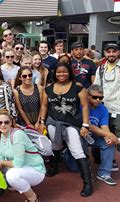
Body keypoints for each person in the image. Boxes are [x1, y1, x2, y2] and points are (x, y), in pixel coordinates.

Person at [36, 62, 93, 197]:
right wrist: (42, 122)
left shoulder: (78, 87)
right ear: (54, 73)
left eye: (65, 72)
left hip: (71, 123)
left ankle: (88, 183)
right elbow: (44, 106)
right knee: (55, 145)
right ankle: (54, 167)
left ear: (70, 73)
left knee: (76, 150)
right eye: (59, 72)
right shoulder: (48, 88)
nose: (62, 74)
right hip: (53, 122)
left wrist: (85, 125)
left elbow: (85, 106)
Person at [93, 43, 120, 187]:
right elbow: (96, 89)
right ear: (105, 53)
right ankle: (110, 162)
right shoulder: (101, 69)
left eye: (113, 51)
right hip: (104, 109)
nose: (111, 54)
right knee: (107, 137)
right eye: (108, 52)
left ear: (118, 52)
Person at [0, 110, 45, 201]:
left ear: (11, 122)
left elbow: (18, 163)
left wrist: (2, 163)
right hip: (21, 166)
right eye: (0, 122)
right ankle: (11, 184)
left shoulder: (17, 135)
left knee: (12, 176)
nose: (3, 125)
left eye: (6, 122)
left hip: (35, 169)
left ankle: (32, 198)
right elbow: (0, 157)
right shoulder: (0, 135)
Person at [85, 84, 119, 186]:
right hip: (81, 135)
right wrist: (109, 134)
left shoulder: (103, 109)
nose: (98, 100)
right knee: (73, 167)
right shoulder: (82, 105)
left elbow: (104, 127)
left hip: (95, 136)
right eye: (95, 97)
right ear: (88, 96)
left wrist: (108, 137)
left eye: (101, 98)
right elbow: (89, 125)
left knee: (109, 143)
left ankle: (104, 173)